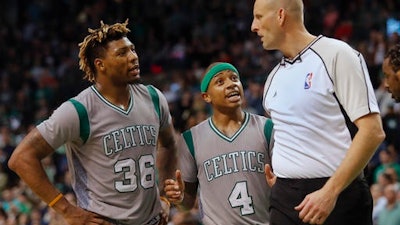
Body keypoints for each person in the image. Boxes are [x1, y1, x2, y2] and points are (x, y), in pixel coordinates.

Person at [8, 19, 178, 225]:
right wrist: (67, 210)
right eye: (122, 53)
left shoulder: (153, 97)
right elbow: (21, 158)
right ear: (101, 65)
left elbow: (168, 143)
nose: (133, 57)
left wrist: (164, 196)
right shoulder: (78, 110)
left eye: (132, 50)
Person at [250, 1, 386, 225]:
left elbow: (373, 132)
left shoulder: (337, 54)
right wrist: (287, 176)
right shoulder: (273, 78)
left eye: (259, 16)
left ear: (281, 16)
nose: (253, 26)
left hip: (337, 196)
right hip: (285, 197)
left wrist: (329, 192)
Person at [164, 62, 273, 224]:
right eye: (220, 82)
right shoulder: (190, 140)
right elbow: (186, 205)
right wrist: (179, 199)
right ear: (206, 96)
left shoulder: (267, 128)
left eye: (234, 78)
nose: (231, 84)